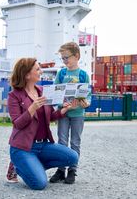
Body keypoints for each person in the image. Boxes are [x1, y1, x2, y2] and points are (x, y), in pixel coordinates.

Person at [7, 57, 79, 190]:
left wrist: (63, 109)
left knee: (72, 157)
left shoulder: (43, 91)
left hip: (43, 145)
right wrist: (32, 108)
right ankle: (18, 166)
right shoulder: (14, 95)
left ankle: (31, 166)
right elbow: (17, 124)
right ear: (27, 74)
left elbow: (50, 116)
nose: (41, 71)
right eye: (37, 69)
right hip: (23, 147)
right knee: (39, 184)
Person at [50, 42, 91, 184]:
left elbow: (88, 95)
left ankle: (72, 170)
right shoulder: (61, 73)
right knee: (61, 142)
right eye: (63, 58)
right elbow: (55, 92)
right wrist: (62, 105)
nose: (65, 61)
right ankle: (61, 170)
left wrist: (86, 103)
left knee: (75, 142)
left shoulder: (83, 75)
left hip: (78, 114)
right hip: (63, 113)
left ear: (77, 56)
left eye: (67, 57)